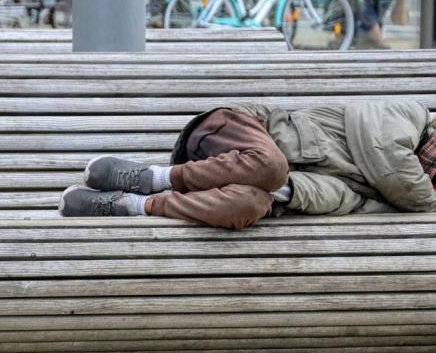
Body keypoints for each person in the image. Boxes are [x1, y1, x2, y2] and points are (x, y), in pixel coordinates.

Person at [59, 100, 436, 230]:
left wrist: (285, 193)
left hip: (249, 179)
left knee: (251, 205)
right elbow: (391, 164)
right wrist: (423, 200)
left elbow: (334, 197)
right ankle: (154, 177)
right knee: (271, 166)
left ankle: (131, 204)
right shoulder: (408, 115)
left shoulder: (387, 193)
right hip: (235, 130)